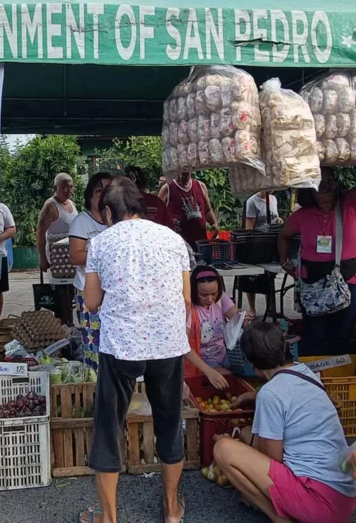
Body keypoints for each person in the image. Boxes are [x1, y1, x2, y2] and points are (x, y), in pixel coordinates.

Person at [81, 181, 191, 523]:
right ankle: (172, 509)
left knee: (108, 428)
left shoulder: (100, 243)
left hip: (121, 348)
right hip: (168, 346)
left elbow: (91, 301)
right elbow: (187, 298)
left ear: (109, 212)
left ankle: (109, 518)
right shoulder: (174, 240)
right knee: (170, 423)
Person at [212, 321, 356, 523]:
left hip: (318, 503)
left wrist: (231, 442)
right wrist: (252, 397)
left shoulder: (270, 394)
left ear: (252, 363)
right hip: (344, 499)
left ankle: (277, 517)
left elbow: (274, 459)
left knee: (224, 449)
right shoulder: (306, 373)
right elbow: (289, 396)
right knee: (247, 432)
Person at [277, 164, 356, 356]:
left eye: (331, 181)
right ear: (309, 187)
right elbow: (283, 236)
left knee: (342, 335)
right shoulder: (302, 215)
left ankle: (335, 376)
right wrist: (285, 263)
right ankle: (313, 377)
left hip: (351, 280)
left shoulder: (352, 204)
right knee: (315, 334)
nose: (326, 186)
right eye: (320, 181)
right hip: (313, 282)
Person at [69, 172, 112, 370]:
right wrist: (105, 255)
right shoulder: (82, 221)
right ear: (89, 195)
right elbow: (76, 256)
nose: (102, 195)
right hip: (88, 290)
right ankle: (95, 387)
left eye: (107, 190)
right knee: (94, 340)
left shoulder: (117, 220)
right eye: (98, 191)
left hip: (113, 290)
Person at [184, 265, 238, 390]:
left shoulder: (220, 298)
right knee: (229, 379)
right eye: (203, 295)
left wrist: (244, 319)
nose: (210, 299)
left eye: (214, 293)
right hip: (203, 362)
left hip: (225, 355)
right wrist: (208, 371)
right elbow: (183, 345)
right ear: (193, 291)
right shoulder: (189, 310)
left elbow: (236, 317)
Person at [241, 190, 281, 317]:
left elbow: (275, 217)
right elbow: (249, 228)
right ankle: (252, 308)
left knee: (270, 277)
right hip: (258, 243)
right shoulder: (252, 202)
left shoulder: (273, 199)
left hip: (271, 242)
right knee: (251, 277)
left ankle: (271, 307)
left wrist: (279, 220)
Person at [159, 171, 218, 248]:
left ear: (191, 171)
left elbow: (208, 210)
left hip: (200, 239)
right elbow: (158, 212)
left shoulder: (200, 186)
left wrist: (214, 223)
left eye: (184, 174)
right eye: (178, 173)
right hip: (179, 241)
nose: (180, 176)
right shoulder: (168, 188)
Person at [37, 172, 78, 273]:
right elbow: (40, 232)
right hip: (57, 257)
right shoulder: (50, 206)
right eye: (64, 187)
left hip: (72, 254)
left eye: (70, 187)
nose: (68, 190)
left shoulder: (72, 204)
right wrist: (43, 259)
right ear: (55, 188)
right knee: (60, 286)